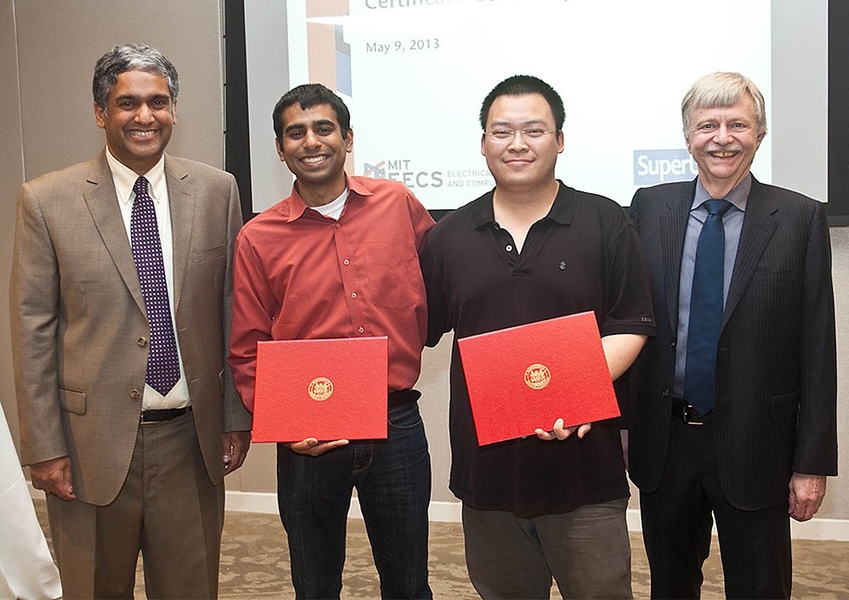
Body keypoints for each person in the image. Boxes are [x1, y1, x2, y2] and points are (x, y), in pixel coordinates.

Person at [9, 44, 252, 598]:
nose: (145, 116)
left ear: (174, 109)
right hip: (88, 446)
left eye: (158, 102)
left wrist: (236, 416)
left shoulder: (218, 190)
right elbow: (33, 330)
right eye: (128, 103)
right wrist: (44, 446)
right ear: (101, 113)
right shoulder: (46, 200)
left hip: (191, 442)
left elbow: (232, 309)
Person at [419, 74, 655, 599]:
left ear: (560, 140)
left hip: (585, 473)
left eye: (534, 130)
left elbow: (631, 323)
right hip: (489, 475)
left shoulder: (605, 221)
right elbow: (415, 327)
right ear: (483, 144)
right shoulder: (447, 236)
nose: (518, 144)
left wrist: (569, 394)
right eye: (502, 132)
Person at [626, 71, 837, 598]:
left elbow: (817, 350)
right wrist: (625, 427)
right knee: (670, 585)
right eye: (708, 125)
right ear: (689, 137)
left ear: (759, 135)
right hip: (667, 440)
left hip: (757, 444)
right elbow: (628, 323)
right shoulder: (649, 208)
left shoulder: (799, 218)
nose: (722, 137)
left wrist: (811, 463)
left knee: (760, 587)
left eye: (737, 124)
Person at [228, 83, 434, 599]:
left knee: (409, 582)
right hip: (309, 431)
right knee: (315, 583)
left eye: (323, 129)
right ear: (280, 149)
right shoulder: (258, 237)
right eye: (295, 133)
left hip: (396, 422)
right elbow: (247, 343)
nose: (311, 142)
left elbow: (443, 285)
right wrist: (283, 420)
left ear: (347, 138)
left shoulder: (397, 204)